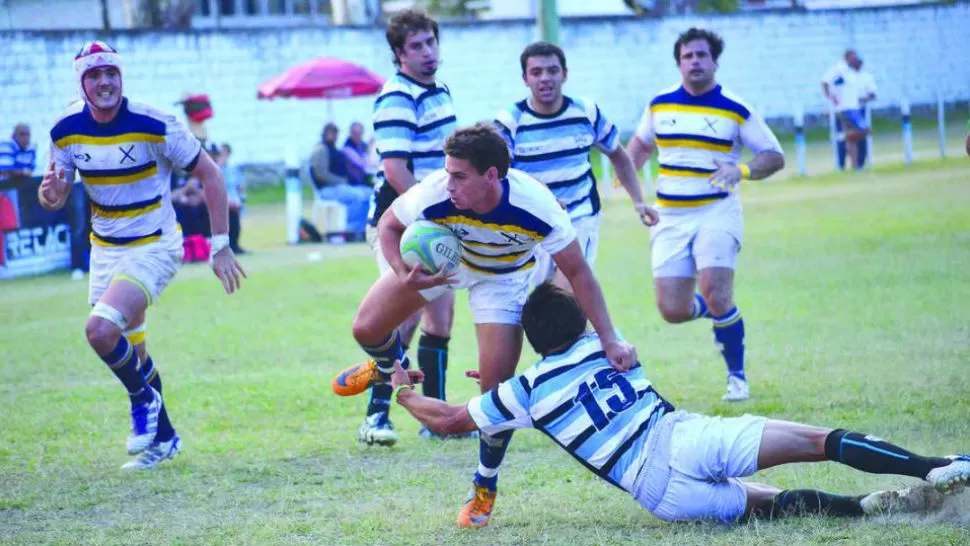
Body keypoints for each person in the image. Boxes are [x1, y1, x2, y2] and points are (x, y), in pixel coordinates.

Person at [387, 282, 970, 527]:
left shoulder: (526, 392)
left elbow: (449, 419)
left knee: (767, 507)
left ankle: (866, 510)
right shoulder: (603, 346)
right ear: (581, 322)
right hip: (678, 437)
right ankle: (936, 467)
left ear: (532, 341)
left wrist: (405, 391)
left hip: (660, 494)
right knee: (818, 441)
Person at [331, 123, 639, 528]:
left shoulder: (536, 206)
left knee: (493, 396)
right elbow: (389, 225)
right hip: (446, 266)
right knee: (365, 330)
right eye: (448, 172)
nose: (449, 183)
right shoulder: (437, 190)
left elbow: (579, 273)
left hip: (504, 280)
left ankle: (484, 483)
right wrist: (402, 271)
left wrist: (610, 339)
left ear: (491, 175)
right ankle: (387, 366)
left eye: (460, 176)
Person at [38, 41, 246, 470]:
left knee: (99, 331)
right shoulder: (64, 129)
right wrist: (52, 194)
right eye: (94, 75)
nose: (104, 82)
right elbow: (55, 194)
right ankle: (165, 437)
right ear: (82, 82)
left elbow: (210, 173)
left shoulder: (156, 123)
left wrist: (220, 244)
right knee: (135, 351)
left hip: (154, 245)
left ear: (121, 77)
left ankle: (142, 400)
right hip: (105, 250)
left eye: (111, 73)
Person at [625, 28, 785, 402]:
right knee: (672, 310)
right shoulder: (659, 105)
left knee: (715, 290)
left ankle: (737, 378)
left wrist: (741, 171)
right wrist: (637, 199)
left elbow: (773, 155)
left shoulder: (735, 107)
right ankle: (716, 309)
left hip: (717, 212)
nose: (694, 61)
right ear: (679, 63)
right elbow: (636, 151)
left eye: (701, 55)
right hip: (669, 219)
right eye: (687, 56)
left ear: (715, 61)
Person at [348, 7, 461, 445]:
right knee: (403, 318)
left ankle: (436, 419)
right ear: (399, 54)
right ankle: (376, 416)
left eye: (431, 42)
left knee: (440, 316)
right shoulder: (397, 96)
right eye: (416, 46)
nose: (427, 52)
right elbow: (395, 169)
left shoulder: (440, 89)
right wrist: (430, 218)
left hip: (434, 223)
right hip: (400, 222)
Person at [494, 42, 657, 289]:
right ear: (525, 79)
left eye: (552, 71)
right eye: (536, 72)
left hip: (579, 217)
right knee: (535, 305)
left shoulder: (586, 112)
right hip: (529, 223)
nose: (545, 78)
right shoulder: (510, 121)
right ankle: (594, 330)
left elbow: (619, 156)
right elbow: (499, 178)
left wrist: (638, 201)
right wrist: (540, 199)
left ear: (565, 74)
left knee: (565, 297)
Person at [309, 122, 371, 240]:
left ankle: (364, 229)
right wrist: (341, 181)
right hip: (326, 189)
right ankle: (352, 231)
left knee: (369, 194)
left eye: (334, 134)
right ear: (324, 134)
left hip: (340, 186)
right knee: (357, 197)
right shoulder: (321, 150)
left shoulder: (334, 149)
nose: (333, 136)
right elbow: (321, 174)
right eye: (330, 133)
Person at [822, 50, 870, 171]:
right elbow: (824, 82)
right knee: (863, 130)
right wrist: (831, 98)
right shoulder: (839, 69)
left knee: (855, 136)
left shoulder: (852, 72)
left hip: (854, 107)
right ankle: (844, 137)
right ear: (847, 57)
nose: (855, 60)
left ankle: (855, 165)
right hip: (844, 108)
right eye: (853, 57)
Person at [218, 143, 247, 254]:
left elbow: (239, 185)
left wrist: (241, 198)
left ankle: (235, 245)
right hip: (224, 199)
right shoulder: (217, 167)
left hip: (234, 198)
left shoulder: (233, 169)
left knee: (236, 224)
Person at [342, 121, 372, 187]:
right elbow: (362, 164)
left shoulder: (363, 145)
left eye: (359, 133)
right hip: (353, 182)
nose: (357, 136)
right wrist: (370, 148)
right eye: (354, 133)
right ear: (350, 133)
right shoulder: (347, 148)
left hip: (365, 179)